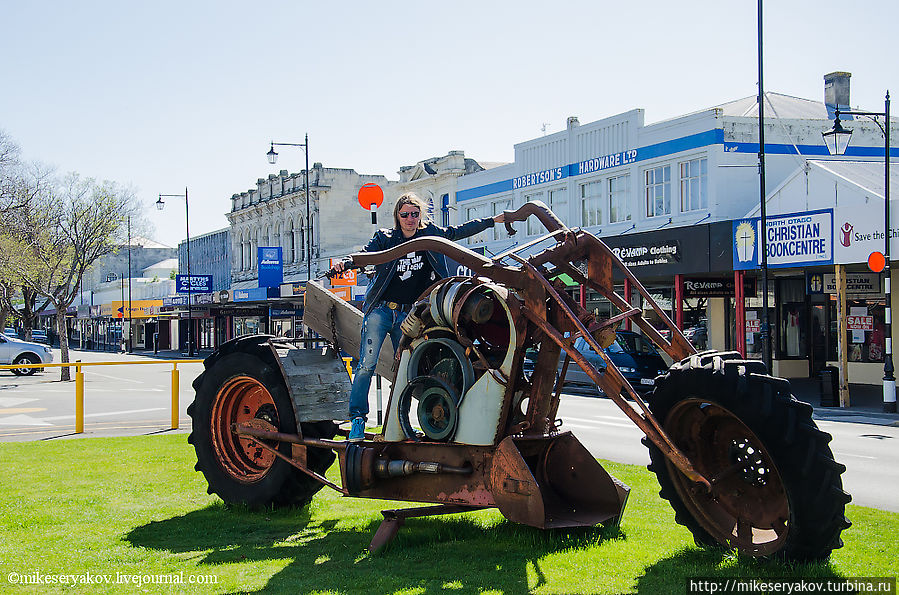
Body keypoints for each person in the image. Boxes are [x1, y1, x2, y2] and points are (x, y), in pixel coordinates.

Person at [332, 192, 505, 441]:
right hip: (381, 310)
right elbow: (365, 255)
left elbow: (457, 232)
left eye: (415, 214)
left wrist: (493, 221)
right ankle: (358, 420)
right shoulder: (385, 238)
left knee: (406, 369)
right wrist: (346, 263)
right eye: (405, 214)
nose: (410, 219)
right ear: (397, 216)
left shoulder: (430, 235)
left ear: (420, 215)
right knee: (366, 366)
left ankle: (400, 425)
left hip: (409, 315)